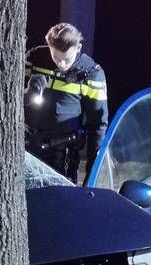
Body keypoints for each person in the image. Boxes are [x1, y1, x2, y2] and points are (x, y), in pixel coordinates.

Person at [24, 23, 108, 184]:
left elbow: (98, 125)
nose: (61, 64)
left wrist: (92, 176)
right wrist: (28, 93)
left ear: (78, 47)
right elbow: (8, 98)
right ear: (48, 45)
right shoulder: (35, 58)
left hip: (61, 155)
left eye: (66, 59)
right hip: (26, 146)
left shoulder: (92, 74)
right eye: (56, 57)